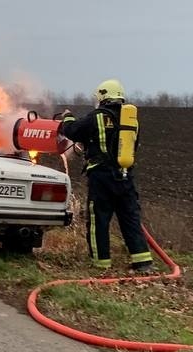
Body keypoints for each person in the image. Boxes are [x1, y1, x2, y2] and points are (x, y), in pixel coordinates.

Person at [59, 79, 155, 273]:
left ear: (102, 96)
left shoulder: (97, 117)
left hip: (102, 177)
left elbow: (72, 131)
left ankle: (101, 264)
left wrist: (67, 117)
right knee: (130, 218)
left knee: (98, 220)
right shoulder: (131, 120)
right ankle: (143, 262)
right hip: (125, 175)